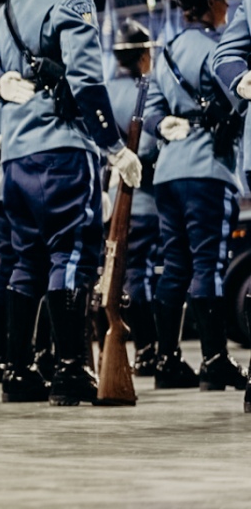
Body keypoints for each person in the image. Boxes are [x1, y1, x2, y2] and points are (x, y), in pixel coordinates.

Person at [0, 0, 141, 406]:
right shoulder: (74, 2)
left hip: (18, 158)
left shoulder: (8, 8)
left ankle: (18, 370)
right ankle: (69, 369)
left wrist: (0, 84)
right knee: (73, 254)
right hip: (64, 150)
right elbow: (87, 83)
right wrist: (114, 148)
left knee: (25, 261)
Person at [144, 0, 246, 391]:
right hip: (207, 168)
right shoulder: (219, 50)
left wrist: (163, 125)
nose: (227, 7)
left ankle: (167, 360)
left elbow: (151, 112)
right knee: (209, 264)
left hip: (168, 172)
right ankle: (214, 359)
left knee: (175, 266)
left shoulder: (166, 53)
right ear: (208, 1)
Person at [104, 19, 161, 377]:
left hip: (109, 200)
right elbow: (151, 148)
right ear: (142, 56)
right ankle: (147, 349)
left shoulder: (105, 92)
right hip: (142, 200)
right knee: (139, 273)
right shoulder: (147, 90)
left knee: (113, 273)